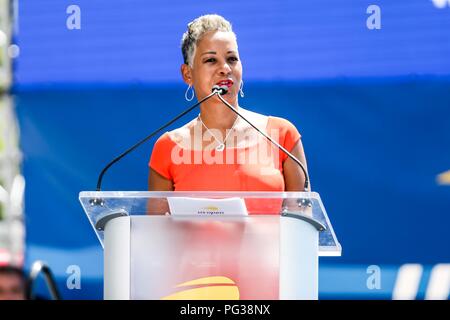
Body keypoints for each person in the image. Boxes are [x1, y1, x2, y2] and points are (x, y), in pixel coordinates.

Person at [148, 14, 308, 204]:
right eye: (211, 60)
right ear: (188, 73)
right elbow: (157, 230)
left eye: (232, 59)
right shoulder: (168, 147)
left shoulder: (282, 135)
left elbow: (303, 220)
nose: (225, 68)